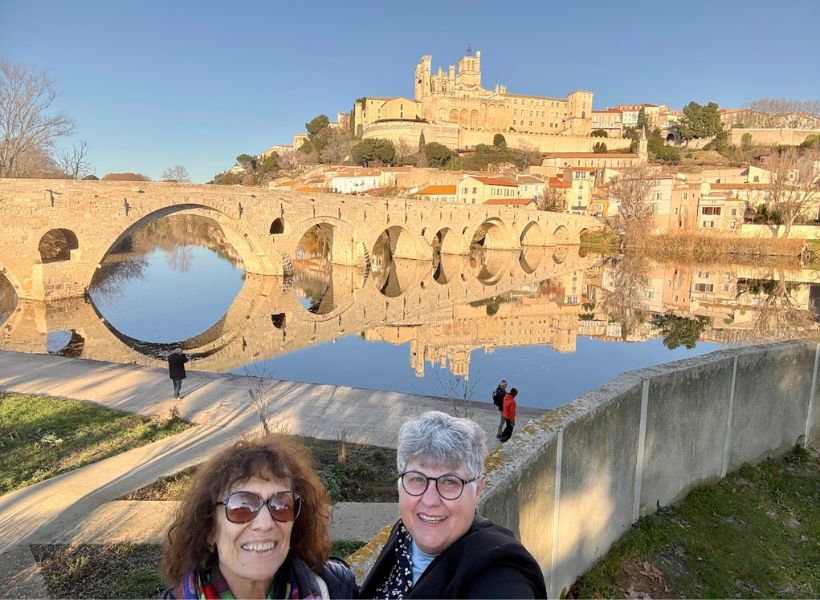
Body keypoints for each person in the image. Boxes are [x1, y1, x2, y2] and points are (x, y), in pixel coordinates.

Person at [359, 410, 546, 599]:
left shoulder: (502, 576)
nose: (430, 500)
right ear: (400, 484)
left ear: (478, 489)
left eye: (449, 482)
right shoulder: (403, 537)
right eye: (417, 479)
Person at [160, 435, 358, 599]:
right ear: (210, 530)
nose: (265, 523)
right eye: (242, 507)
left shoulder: (337, 589)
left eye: (281, 505)